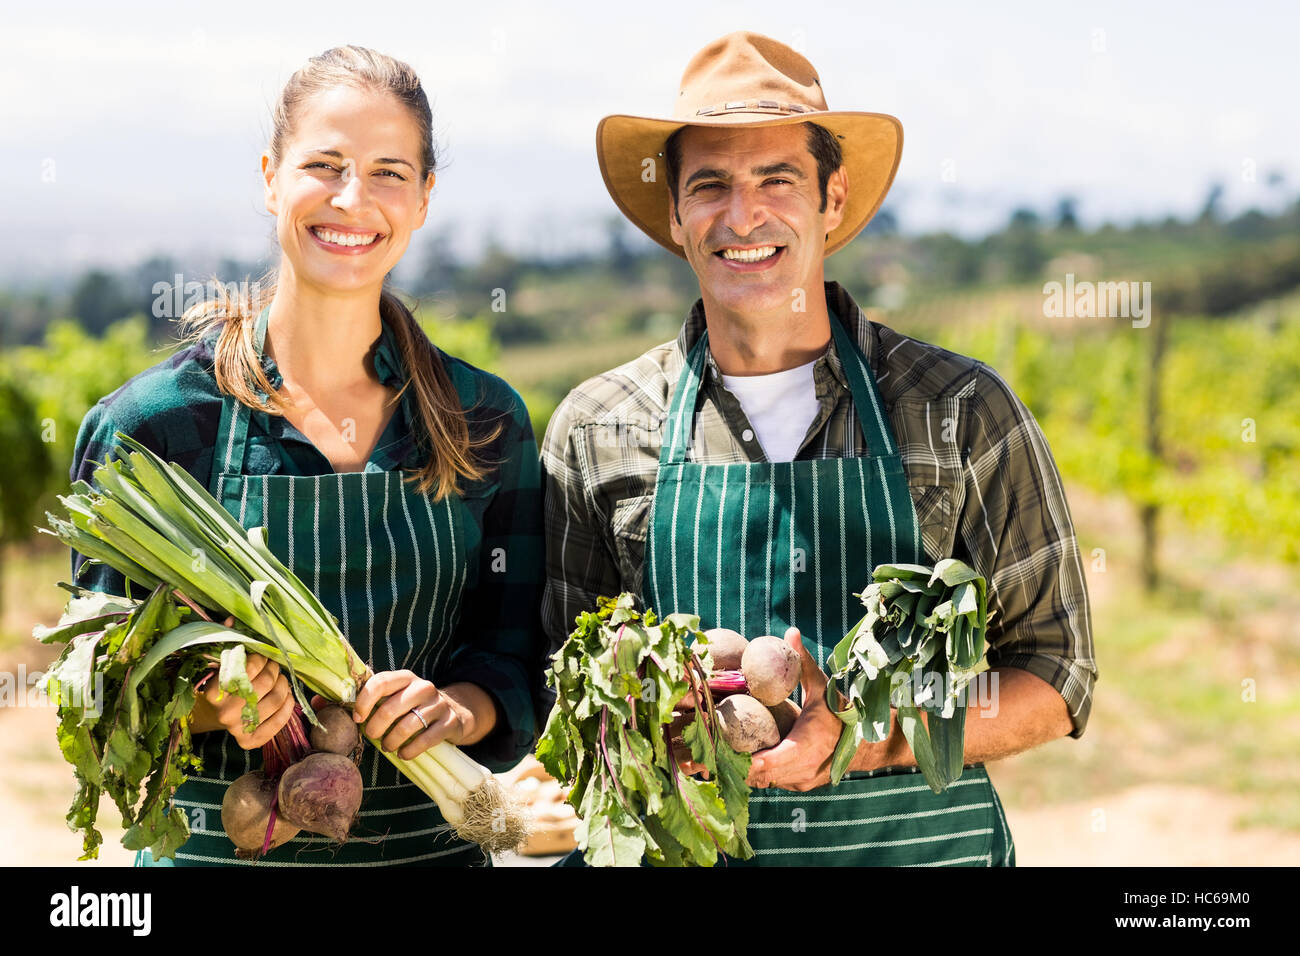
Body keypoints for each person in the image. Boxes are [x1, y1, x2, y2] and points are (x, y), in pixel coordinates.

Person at [541, 31, 1097, 865]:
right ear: (674, 212)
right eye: (710, 186)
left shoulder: (961, 411)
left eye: (778, 180)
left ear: (832, 200)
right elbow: (564, 683)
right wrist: (650, 716)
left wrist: (867, 735)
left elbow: (1057, 675)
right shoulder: (598, 427)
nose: (743, 215)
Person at [69, 46, 546, 866]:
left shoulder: (483, 417)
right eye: (323, 165)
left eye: (389, 172)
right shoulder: (153, 429)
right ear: (270, 178)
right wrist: (212, 700)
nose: (352, 199)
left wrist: (457, 713)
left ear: (426, 197)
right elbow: (95, 695)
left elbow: (515, 654)